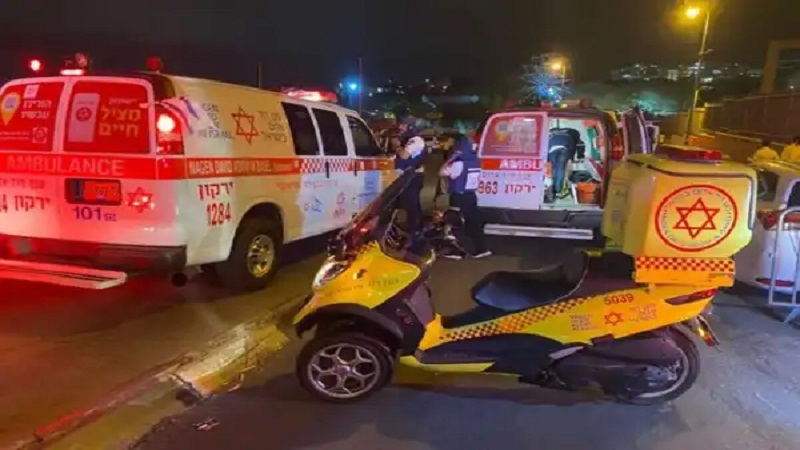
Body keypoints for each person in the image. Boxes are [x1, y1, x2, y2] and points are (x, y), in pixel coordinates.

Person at [439, 134, 491, 260]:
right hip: (471, 195)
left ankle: (456, 251)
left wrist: (450, 159)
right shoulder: (476, 161)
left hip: (459, 196)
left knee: (454, 224)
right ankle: (481, 249)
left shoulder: (458, 163)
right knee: (474, 223)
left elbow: (441, 172)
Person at [394, 117, 426, 236]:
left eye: (403, 125)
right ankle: (414, 227)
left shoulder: (416, 140)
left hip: (412, 176)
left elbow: (404, 155)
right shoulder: (407, 140)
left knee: (411, 204)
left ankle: (415, 230)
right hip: (404, 176)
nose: (400, 127)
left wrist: (396, 146)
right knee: (405, 202)